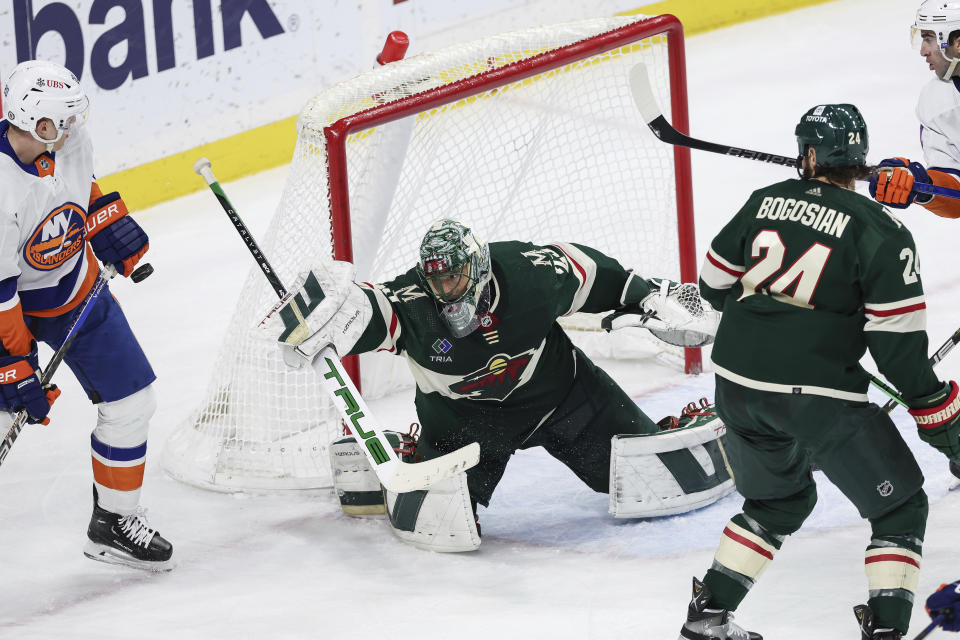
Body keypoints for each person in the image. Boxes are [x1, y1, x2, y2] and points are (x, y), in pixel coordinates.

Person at [264, 218, 728, 552]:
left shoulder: (531, 273)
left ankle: (680, 424)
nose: (445, 288)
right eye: (436, 278)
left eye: (455, 275)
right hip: (465, 426)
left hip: (565, 399)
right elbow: (367, 310)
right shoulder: (412, 305)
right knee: (438, 527)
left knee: (661, 482)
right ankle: (407, 450)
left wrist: (650, 295)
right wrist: (321, 318)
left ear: (480, 266)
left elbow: (595, 274)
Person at [687, 103, 960, 640]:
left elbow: (712, 288)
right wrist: (944, 420)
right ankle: (885, 631)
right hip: (815, 396)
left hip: (735, 386)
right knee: (901, 507)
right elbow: (898, 352)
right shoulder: (881, 230)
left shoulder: (763, 201)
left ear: (809, 155)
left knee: (778, 501)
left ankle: (708, 618)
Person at [0, 60, 170, 570]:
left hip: (74, 288)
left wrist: (107, 225)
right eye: (65, 119)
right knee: (7, 406)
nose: (76, 126)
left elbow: (82, 189)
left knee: (133, 402)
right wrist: (12, 363)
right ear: (38, 126)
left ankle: (114, 522)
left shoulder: (66, 141)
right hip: (9, 307)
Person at [869, 1, 960, 219]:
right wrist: (923, 186)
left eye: (929, 38)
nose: (923, 51)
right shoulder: (937, 102)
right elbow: (956, 196)